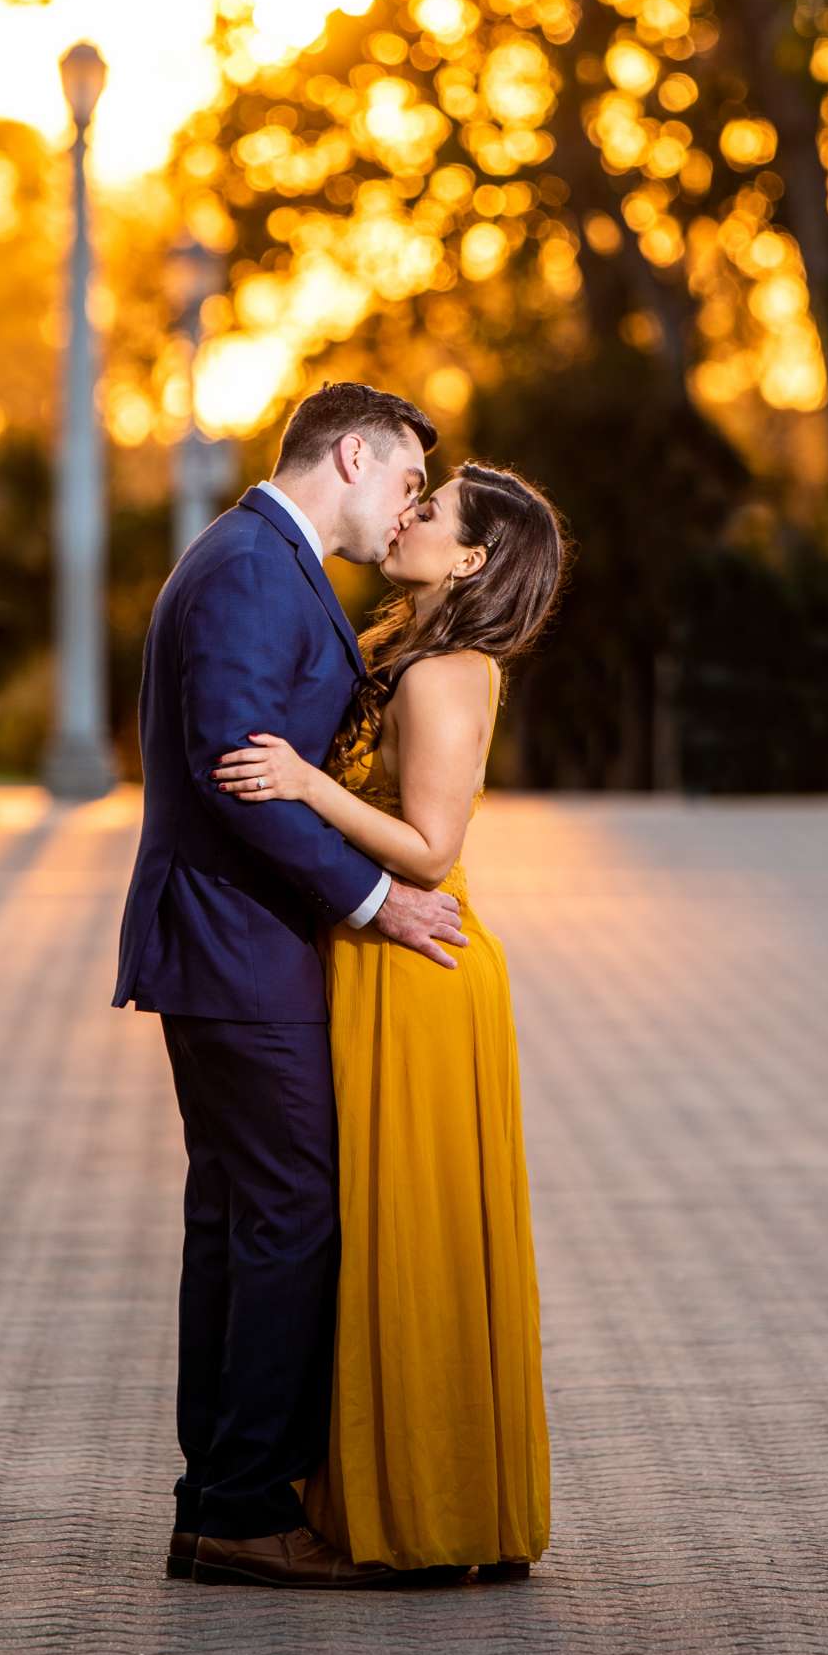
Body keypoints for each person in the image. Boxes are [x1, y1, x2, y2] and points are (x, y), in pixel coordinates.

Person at [113, 382, 467, 1592]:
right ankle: (246, 1508)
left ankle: (219, 1499)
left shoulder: (260, 557)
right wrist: (379, 901)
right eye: (409, 479)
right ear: (353, 455)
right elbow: (232, 772)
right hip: (235, 947)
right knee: (284, 1220)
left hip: (235, 946)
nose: (412, 502)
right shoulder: (255, 567)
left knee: (237, 1222)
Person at [212, 461, 565, 1581]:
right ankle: (392, 1498)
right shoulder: (395, 647)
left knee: (408, 1236)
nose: (407, 516)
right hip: (367, 962)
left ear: (468, 559)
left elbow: (431, 849)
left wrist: (307, 788)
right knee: (374, 1232)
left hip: (416, 965)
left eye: (433, 512)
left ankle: (436, 1513)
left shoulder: (449, 674)